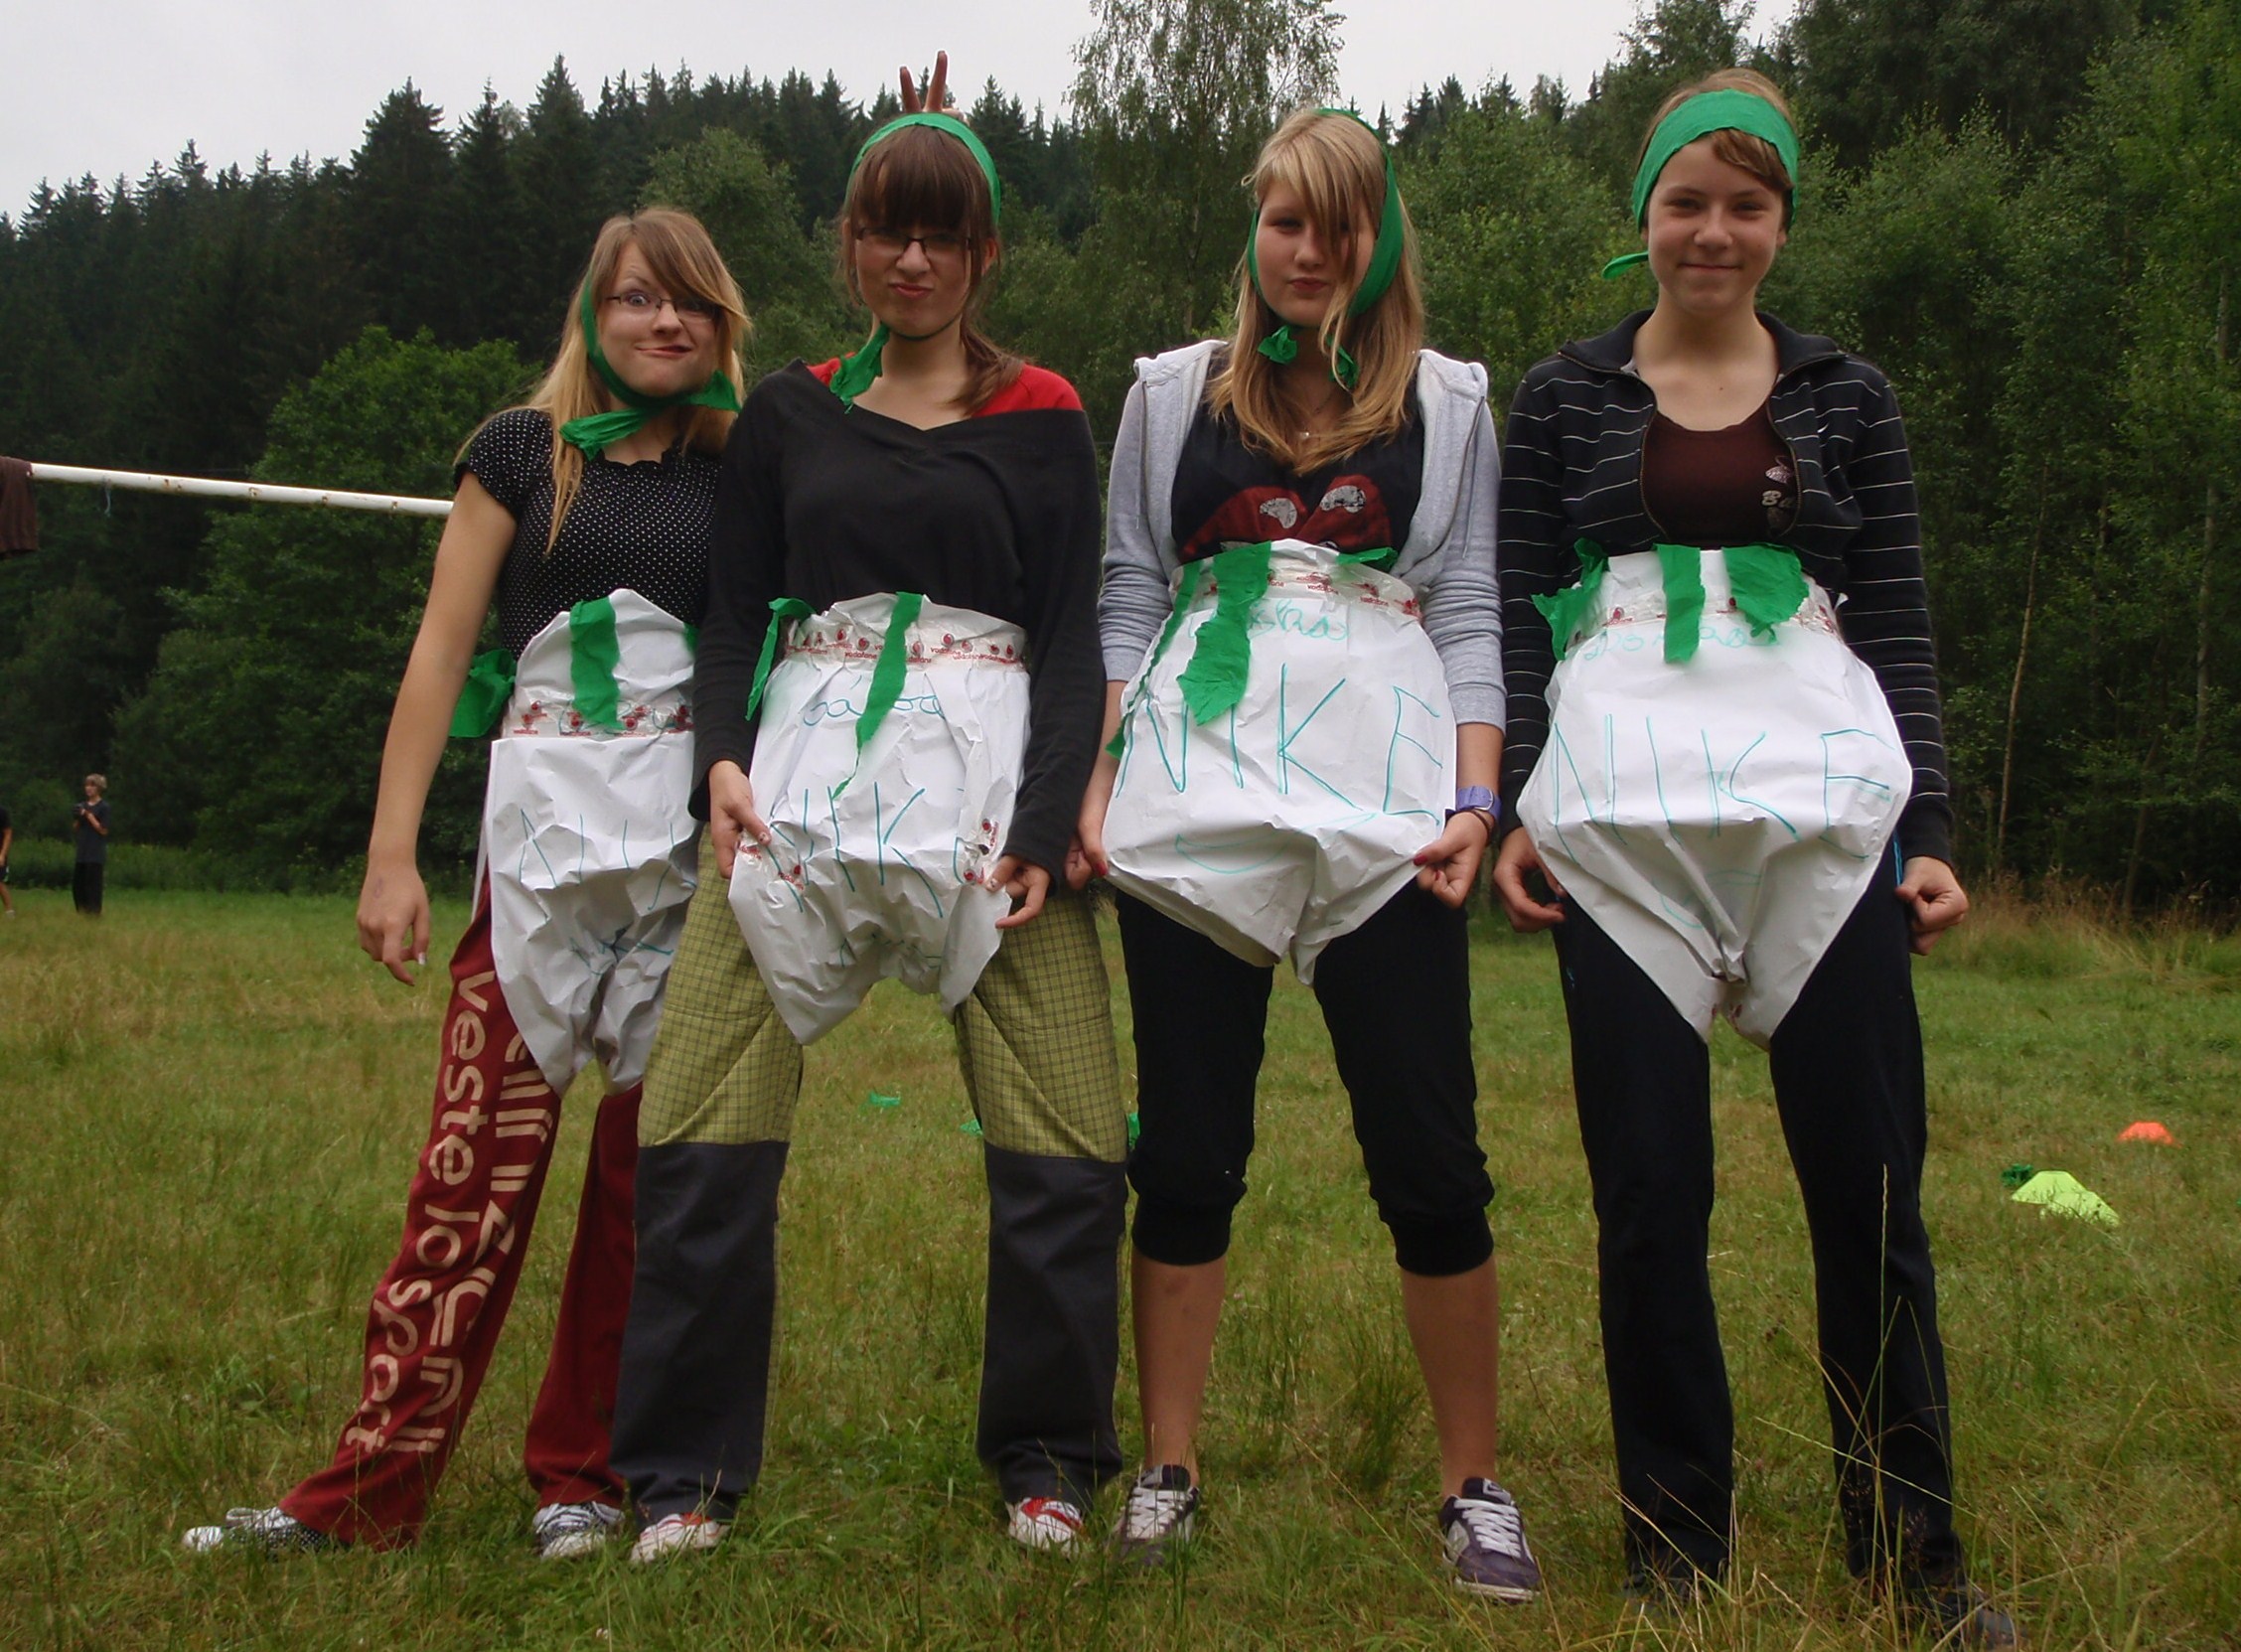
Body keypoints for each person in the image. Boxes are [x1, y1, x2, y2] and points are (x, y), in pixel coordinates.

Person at [1490, 71, 2016, 1646]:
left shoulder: (1849, 395)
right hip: (1620, 822)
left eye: (1747, 204)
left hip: (1824, 817)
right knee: (1651, 1191)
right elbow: (1521, 617)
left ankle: (1913, 1552)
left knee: (1870, 1189)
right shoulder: (1563, 397)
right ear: (1644, 213)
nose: (1713, 232)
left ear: (1782, 221)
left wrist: (1927, 829)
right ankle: (1675, 1549)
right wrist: (1516, 805)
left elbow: (1899, 617)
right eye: (1687, 202)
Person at [184, 207, 747, 1560]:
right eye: (636, 297)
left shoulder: (749, 466)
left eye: (689, 300)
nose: (664, 320)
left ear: (724, 321)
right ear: (594, 312)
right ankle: (365, 1490)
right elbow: (441, 652)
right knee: (468, 1176)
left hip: (686, 866)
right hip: (537, 856)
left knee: (644, 1191)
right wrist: (391, 855)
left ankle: (581, 1478)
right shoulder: (519, 452)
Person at [609, 102, 1128, 1564]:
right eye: (886, 231)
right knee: (701, 1107)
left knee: (1068, 1126)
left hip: (992, 789)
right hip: (800, 784)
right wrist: (719, 764)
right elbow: (734, 615)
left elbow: (1071, 636)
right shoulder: (790, 413)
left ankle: (1049, 1460)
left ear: (984, 252)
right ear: (848, 245)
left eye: (940, 234)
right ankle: (682, 1478)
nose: (912, 259)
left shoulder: (1044, 413)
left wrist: (1044, 827)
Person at [1078, 107, 1538, 1600]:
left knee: (1430, 1151)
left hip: (1391, 802)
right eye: (1285, 220)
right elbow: (1129, 592)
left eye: (1338, 225)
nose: (1308, 250)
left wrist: (1476, 800)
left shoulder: (1452, 405)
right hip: (1194, 788)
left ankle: (1474, 1485)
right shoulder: (1169, 395)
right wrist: (1105, 772)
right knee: (1187, 1145)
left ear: (1382, 240)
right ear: (1255, 233)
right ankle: (1167, 1468)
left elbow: (1467, 607)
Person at [71, 775, 110, 915]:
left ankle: (94, 912)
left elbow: (103, 830)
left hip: (95, 852)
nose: (89, 788)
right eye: (87, 785)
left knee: (93, 885)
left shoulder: (104, 807)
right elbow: (75, 828)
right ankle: (81, 911)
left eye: (92, 785)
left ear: (99, 788)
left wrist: (88, 815)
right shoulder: (82, 805)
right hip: (82, 851)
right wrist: (78, 817)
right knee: (78, 884)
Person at [0, 796, 15, 917]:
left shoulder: (2, 812)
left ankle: (9, 912)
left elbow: (8, 834)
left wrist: (2, 854)